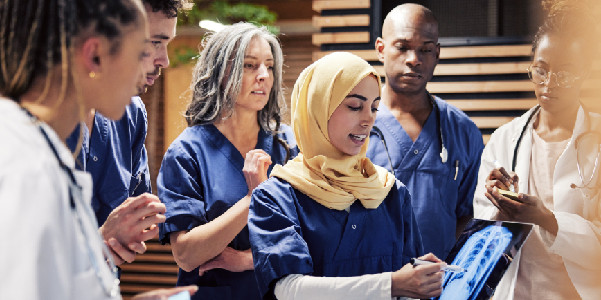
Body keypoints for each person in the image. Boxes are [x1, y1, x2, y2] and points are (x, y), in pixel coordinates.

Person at [0, 0, 195, 298]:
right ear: (96, 55)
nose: (159, 62)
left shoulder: (47, 148)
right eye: (141, 50)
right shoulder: (24, 160)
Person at [248, 52, 444, 300]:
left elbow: (408, 286)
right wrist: (391, 285)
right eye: (354, 106)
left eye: (374, 108)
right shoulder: (275, 197)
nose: (368, 120)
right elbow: (288, 289)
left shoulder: (392, 192)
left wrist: (423, 282)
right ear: (317, 107)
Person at [157, 22, 298, 300]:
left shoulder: (288, 145)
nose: (263, 76)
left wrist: (248, 260)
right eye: (249, 65)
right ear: (221, 73)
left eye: (269, 66)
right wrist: (253, 198)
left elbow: (312, 236)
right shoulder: (187, 152)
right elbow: (185, 254)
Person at [473, 2, 601, 299]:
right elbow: (484, 232)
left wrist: (547, 219)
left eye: (564, 74)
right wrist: (496, 201)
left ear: (584, 73)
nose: (548, 84)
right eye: (541, 70)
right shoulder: (505, 139)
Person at [65, 0, 181, 265]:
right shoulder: (29, 129)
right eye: (153, 43)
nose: (164, 60)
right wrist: (99, 242)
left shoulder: (130, 113)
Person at [366, 3, 484, 260]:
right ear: (381, 49)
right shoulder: (354, 125)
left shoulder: (463, 131)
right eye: (402, 47)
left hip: (439, 285)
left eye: (426, 49)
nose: (414, 59)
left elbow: (469, 213)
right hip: (370, 284)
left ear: (437, 53)